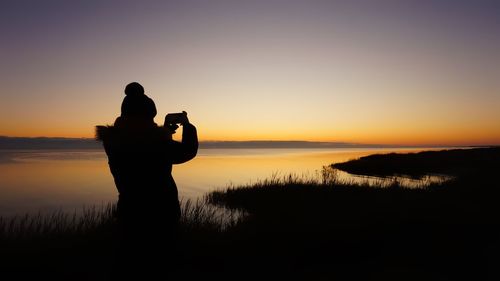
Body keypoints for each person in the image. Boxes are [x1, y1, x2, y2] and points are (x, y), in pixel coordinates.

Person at [96, 82, 198, 278]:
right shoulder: (157, 143)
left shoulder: (113, 141)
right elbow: (187, 151)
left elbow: (139, 140)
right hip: (161, 214)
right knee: (161, 264)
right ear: (148, 115)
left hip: (129, 210)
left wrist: (164, 132)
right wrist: (187, 125)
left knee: (131, 264)